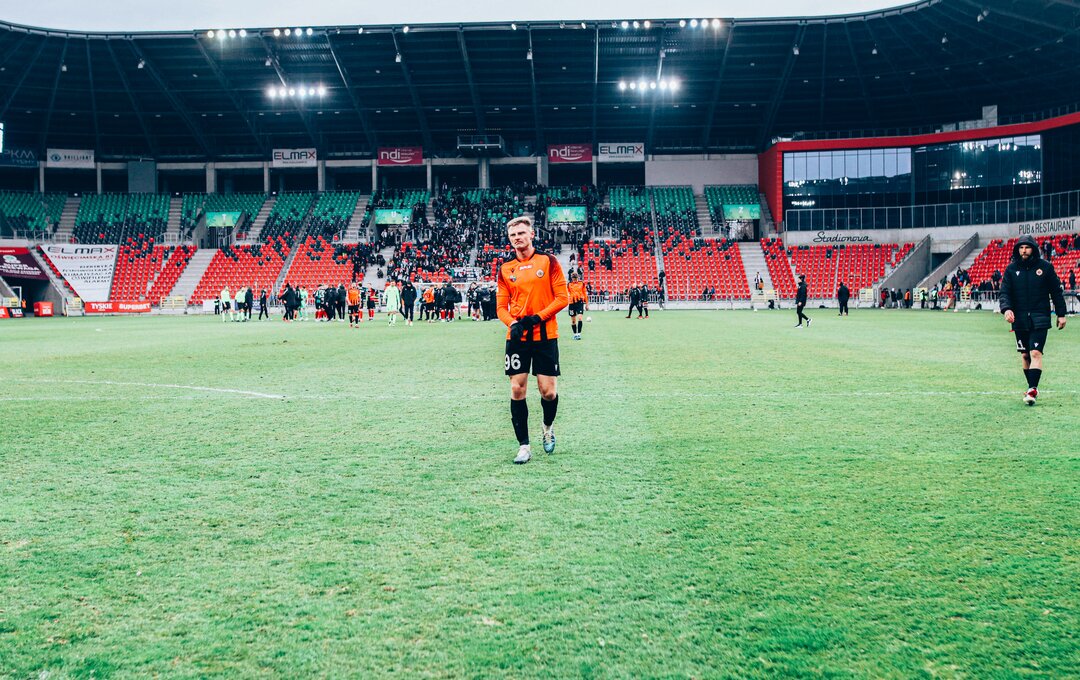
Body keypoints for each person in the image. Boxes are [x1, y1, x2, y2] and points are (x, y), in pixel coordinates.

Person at [497, 215, 568, 464]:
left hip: (545, 335)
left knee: (548, 392)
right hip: (517, 337)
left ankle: (547, 427)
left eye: (521, 233)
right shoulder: (505, 269)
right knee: (517, 388)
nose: (517, 238)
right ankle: (524, 446)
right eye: (513, 235)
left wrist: (535, 318)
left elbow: (562, 298)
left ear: (531, 235)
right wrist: (513, 323)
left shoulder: (548, 261)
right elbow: (501, 307)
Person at [998, 235, 1067, 405]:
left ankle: (1032, 389)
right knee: (1025, 355)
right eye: (1021, 248)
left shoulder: (1046, 268)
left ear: (1033, 249)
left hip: (1040, 317)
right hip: (1019, 319)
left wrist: (1061, 314)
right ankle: (1031, 387)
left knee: (1035, 352)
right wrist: (1006, 309)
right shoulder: (1011, 270)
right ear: (1017, 250)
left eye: (1027, 247)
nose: (1024, 250)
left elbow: (1056, 292)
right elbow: (1005, 293)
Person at [566, 270, 588, 340]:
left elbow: (584, 293)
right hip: (572, 303)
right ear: (571, 278)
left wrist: (587, 304)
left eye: (575, 278)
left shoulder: (581, 283)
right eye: (573, 278)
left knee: (580, 318)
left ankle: (579, 334)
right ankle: (575, 334)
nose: (574, 279)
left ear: (578, 277)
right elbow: (567, 293)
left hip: (579, 302)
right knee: (573, 321)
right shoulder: (569, 284)